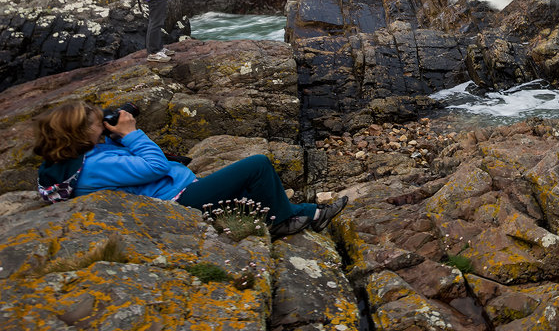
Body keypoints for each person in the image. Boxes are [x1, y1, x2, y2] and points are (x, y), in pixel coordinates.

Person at [33, 101, 348, 239]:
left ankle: (309, 213)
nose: (101, 124)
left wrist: (115, 133)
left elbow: (135, 167)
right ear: (77, 134)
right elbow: (154, 166)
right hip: (178, 201)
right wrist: (131, 134)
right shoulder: (94, 168)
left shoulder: (82, 158)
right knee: (257, 166)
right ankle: (283, 223)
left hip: (178, 189)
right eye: (94, 123)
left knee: (248, 189)